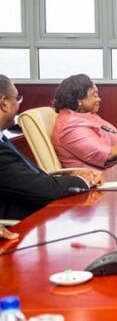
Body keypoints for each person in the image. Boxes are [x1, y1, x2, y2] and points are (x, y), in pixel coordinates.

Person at [0, 75, 102, 234]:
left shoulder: (2, 138)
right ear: (4, 102)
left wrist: (72, 176)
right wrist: (83, 180)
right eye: (17, 98)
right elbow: (42, 189)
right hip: (28, 227)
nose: (19, 104)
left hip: (45, 214)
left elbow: (29, 178)